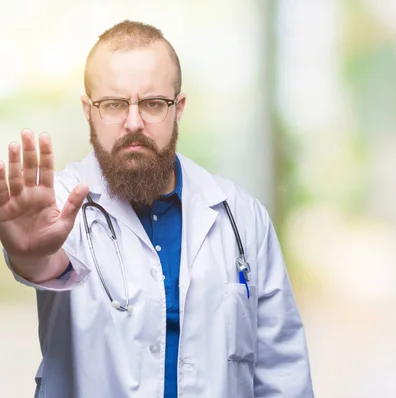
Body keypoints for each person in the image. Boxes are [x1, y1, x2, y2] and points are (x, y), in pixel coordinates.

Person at [0, 20, 314, 397]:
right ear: (88, 110)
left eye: (152, 104)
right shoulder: (61, 205)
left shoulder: (242, 217)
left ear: (178, 108)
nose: (134, 123)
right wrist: (27, 254)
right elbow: (49, 264)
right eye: (113, 104)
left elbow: (283, 375)